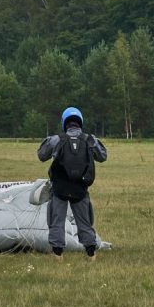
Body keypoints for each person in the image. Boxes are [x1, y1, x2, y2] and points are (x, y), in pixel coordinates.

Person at [37, 107, 107, 261]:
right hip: (80, 188)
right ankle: (90, 254)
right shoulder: (89, 140)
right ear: (80, 122)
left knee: (57, 221)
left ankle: (57, 255)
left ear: (64, 122)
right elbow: (103, 156)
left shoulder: (57, 139)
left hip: (60, 188)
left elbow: (41, 155)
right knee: (84, 222)